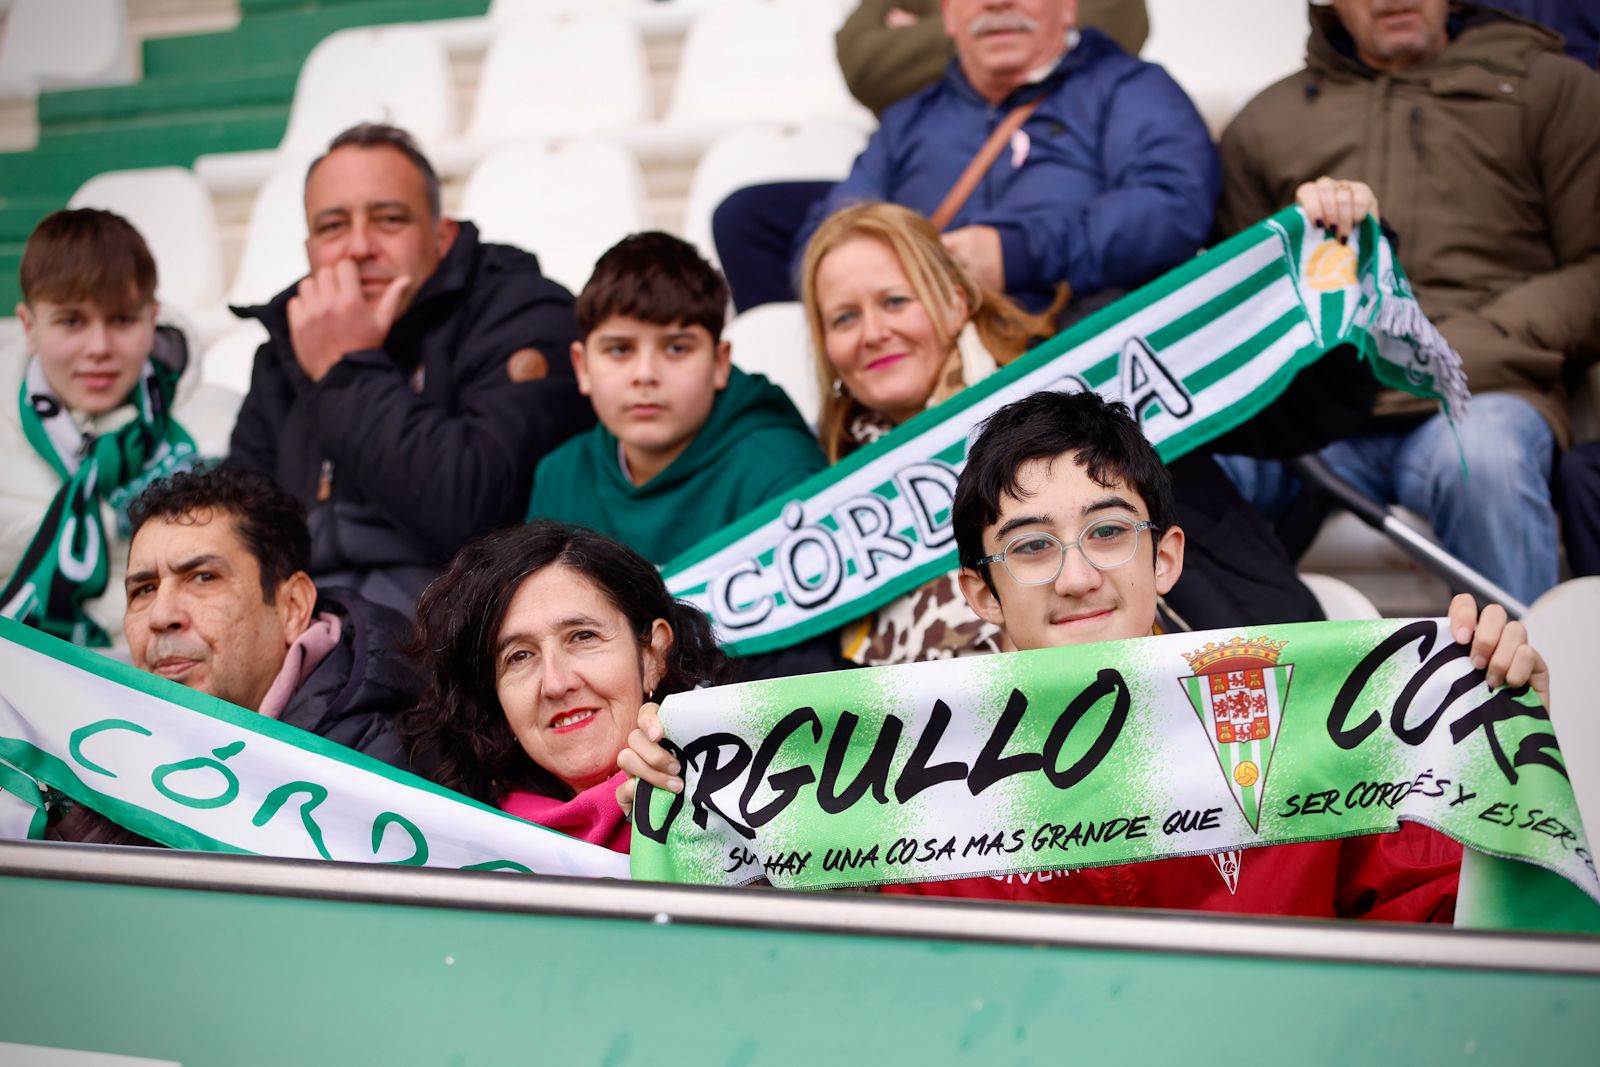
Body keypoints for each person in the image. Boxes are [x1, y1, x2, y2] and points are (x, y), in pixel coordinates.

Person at [623, 391, 1549, 920]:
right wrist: (685, 798)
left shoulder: (1313, 709)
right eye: (1029, 545)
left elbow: (1453, 931)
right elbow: (790, 953)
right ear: (979, 592)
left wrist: (1492, 724)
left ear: (1167, 555)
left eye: (1108, 531)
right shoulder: (888, 755)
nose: (1075, 576)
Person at [799, 200, 1365, 664]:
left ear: (954, 301)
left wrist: (1333, 244)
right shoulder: (819, 502)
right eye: (844, 318)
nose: (873, 332)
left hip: (1203, 704)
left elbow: (1316, 408)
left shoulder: (1101, 373)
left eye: (896, 301)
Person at [1214, 0, 1600, 606]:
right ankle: (1204, 689)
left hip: (1478, 395)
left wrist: (1444, 348)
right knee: (1187, 469)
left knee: (1487, 463)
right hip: (1317, 413)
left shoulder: (1553, 89)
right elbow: (1243, 300)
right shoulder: (1264, 122)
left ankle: (1526, 697)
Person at [228, 122, 591, 617]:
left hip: (455, 643)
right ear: (309, 250)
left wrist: (346, 369)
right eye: (333, 226)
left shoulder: (522, 314)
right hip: (301, 640)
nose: (358, 247)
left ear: (442, 236)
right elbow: (243, 535)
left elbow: (472, 511)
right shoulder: (283, 347)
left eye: (389, 220)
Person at [716, 0, 1218, 316]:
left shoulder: (1128, 87)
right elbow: (829, 231)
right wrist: (901, 274)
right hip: (930, 351)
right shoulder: (910, 118)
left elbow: (1173, 207)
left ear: (1068, 7)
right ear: (949, 16)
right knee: (751, 218)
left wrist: (1014, 253)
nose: (999, 3)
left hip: (1064, 343)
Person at [52, 465, 419, 846]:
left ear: (293, 607)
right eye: (144, 590)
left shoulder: (398, 759)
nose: (161, 616)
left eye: (203, 578)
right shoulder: (85, 758)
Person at [399, 521, 732, 853]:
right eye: (519, 656)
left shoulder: (750, 783)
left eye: (583, 636)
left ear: (653, 656)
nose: (557, 684)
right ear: (494, 697)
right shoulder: (464, 847)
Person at [0, 208, 235, 649]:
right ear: (29, 327)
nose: (99, 348)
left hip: (160, 683)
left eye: (122, 320)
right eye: (71, 321)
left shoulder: (218, 426)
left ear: (153, 318)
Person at [526, 232, 826, 566]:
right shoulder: (558, 476)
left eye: (676, 348)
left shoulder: (783, 474)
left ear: (719, 363)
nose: (645, 374)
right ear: (582, 367)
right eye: (619, 350)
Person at [837, 0, 1150, 117]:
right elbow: (864, 63)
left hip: (1064, 137)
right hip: (924, 152)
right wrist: (1019, 27)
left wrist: (972, 25)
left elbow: (1112, 21)